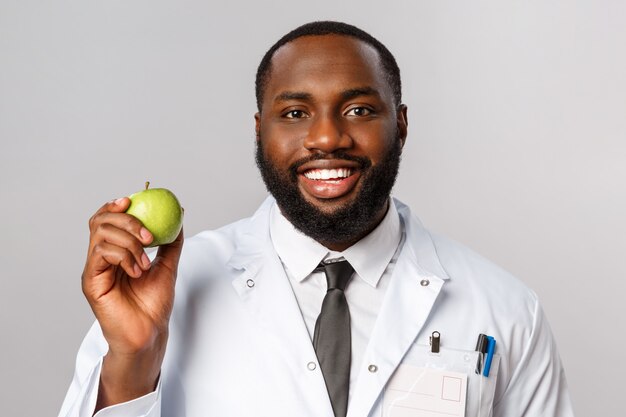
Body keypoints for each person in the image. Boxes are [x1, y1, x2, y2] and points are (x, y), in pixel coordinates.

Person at [59, 21, 574, 417]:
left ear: (401, 124)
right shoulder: (161, 291)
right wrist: (133, 357)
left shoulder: (505, 310)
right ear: (260, 131)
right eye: (295, 113)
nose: (327, 138)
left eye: (358, 110)